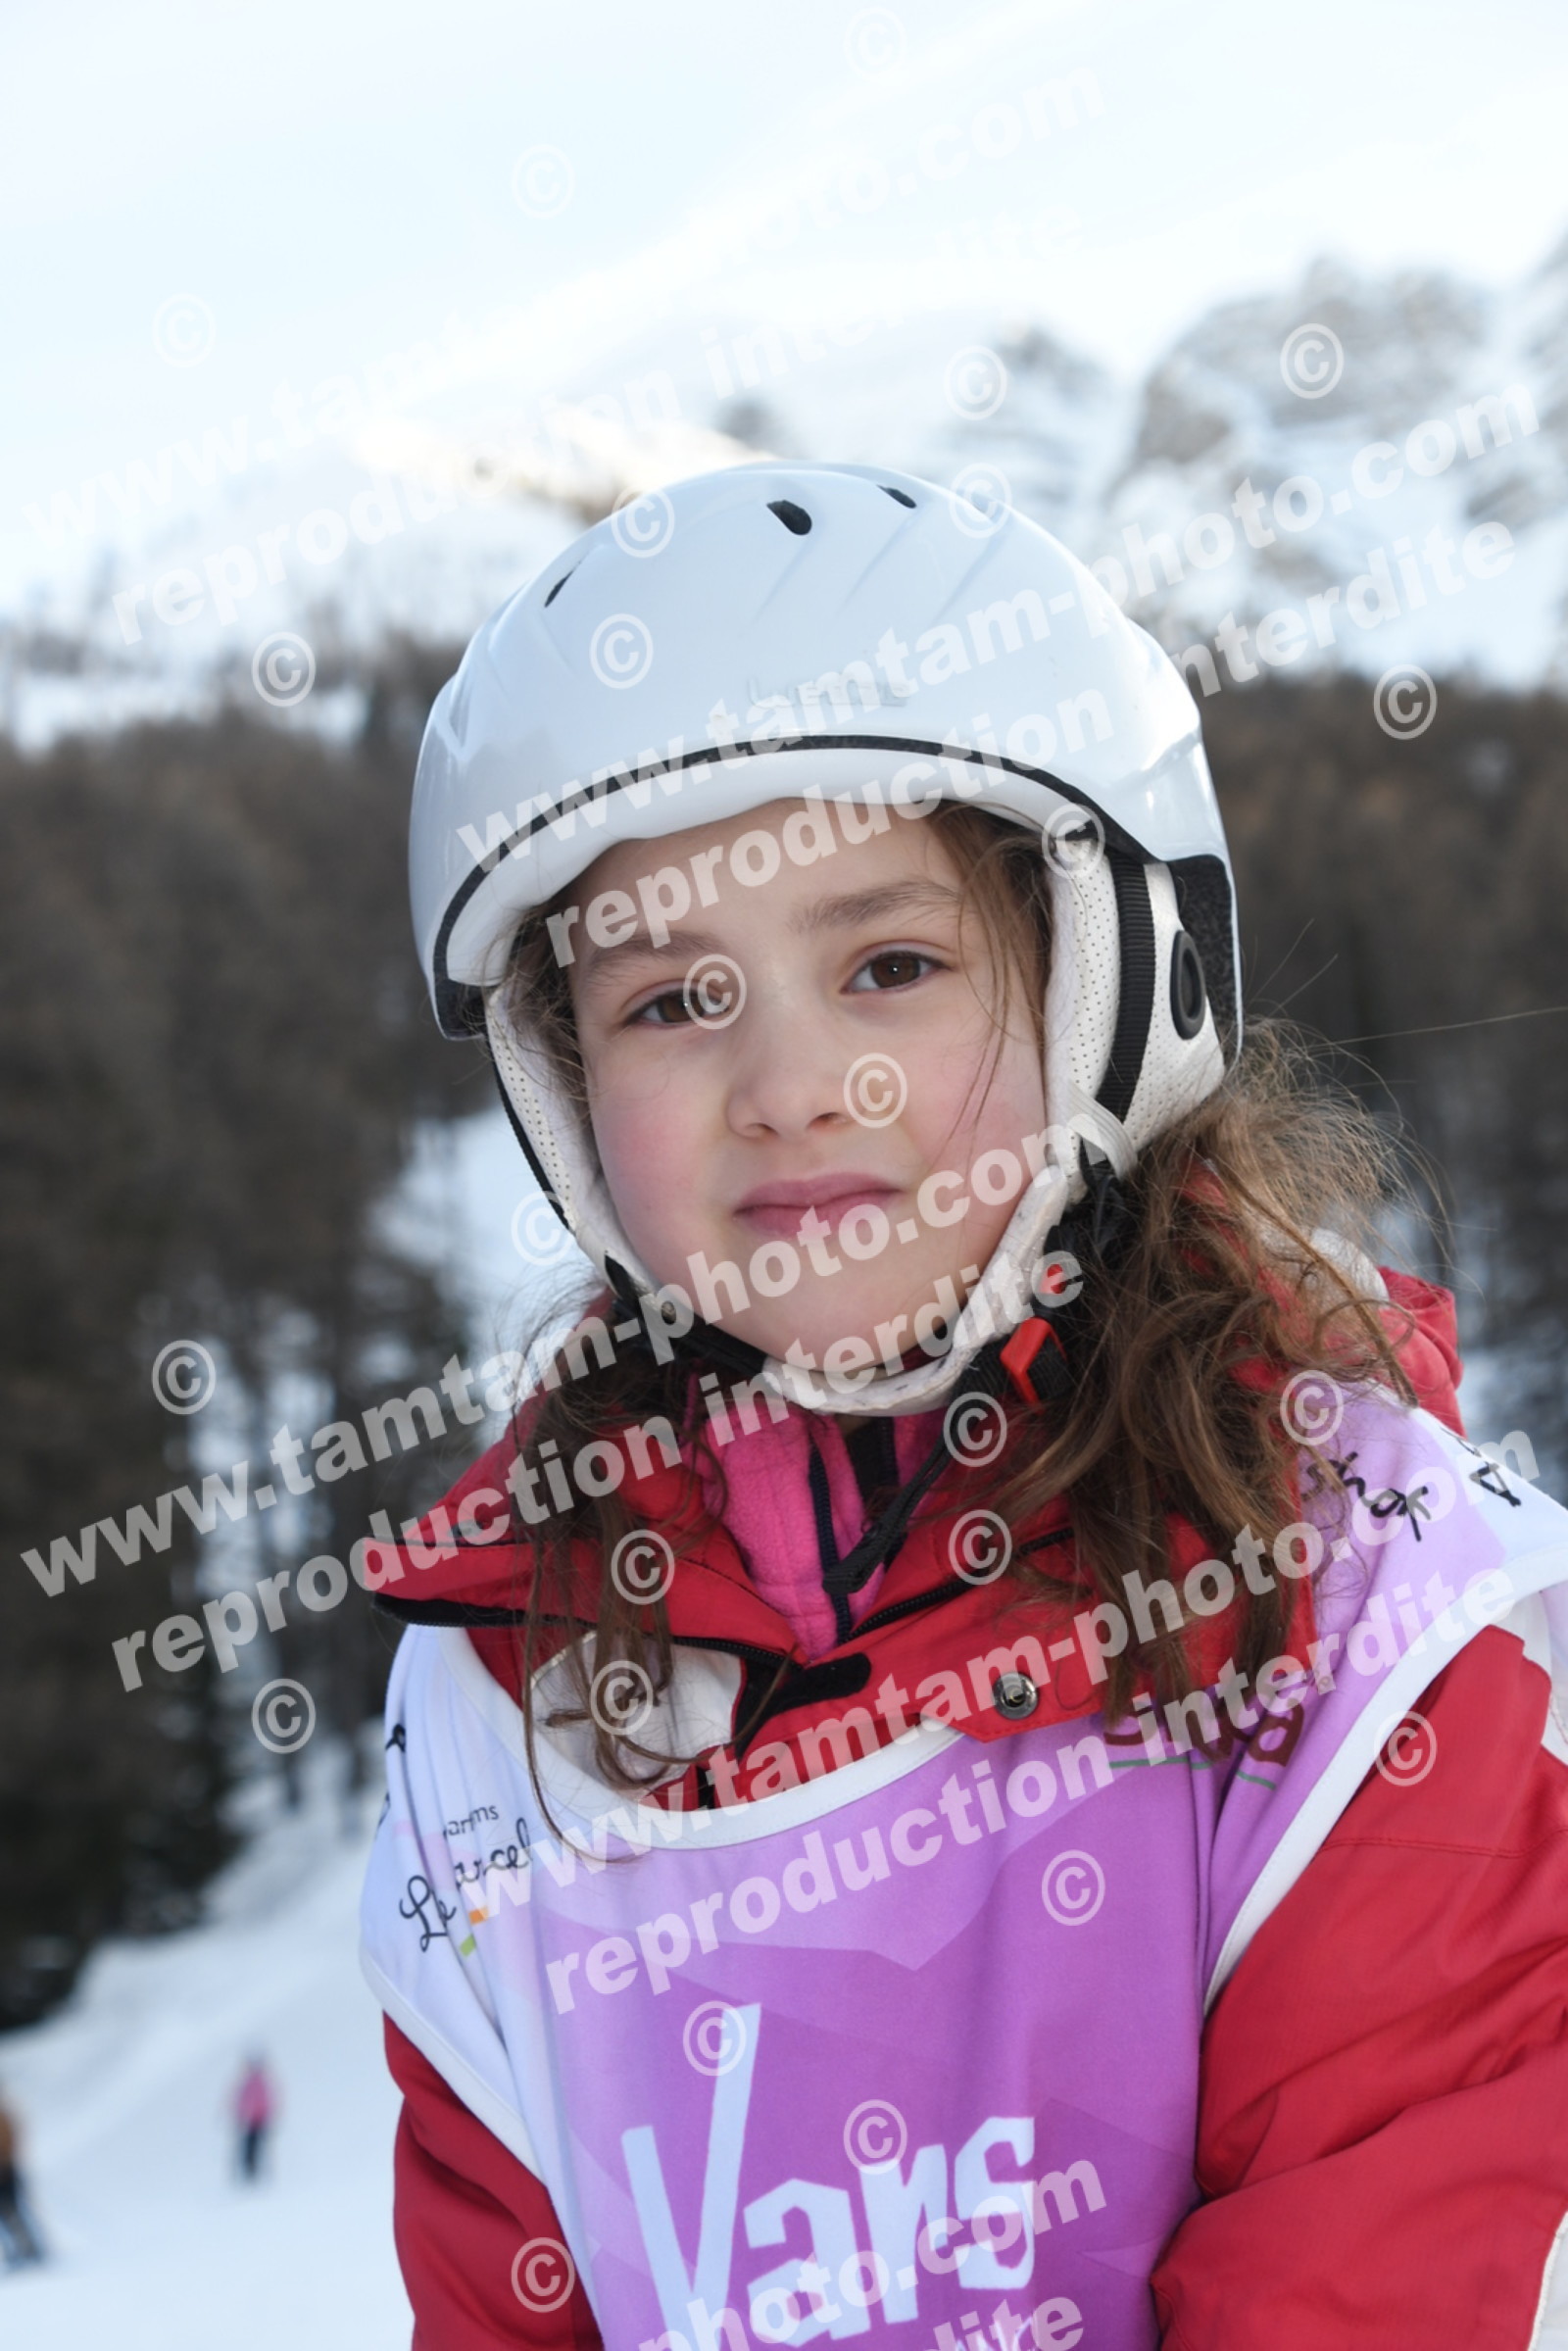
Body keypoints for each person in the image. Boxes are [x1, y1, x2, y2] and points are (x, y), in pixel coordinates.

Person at [360, 463, 1568, 2349]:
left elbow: (1372, 2262)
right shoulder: (505, 1694)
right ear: (561, 1081)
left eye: (891, 965)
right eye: (672, 999)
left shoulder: (1358, 1606)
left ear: (1105, 985)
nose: (790, 1082)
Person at [0, 2090, 43, 2267]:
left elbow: (10, 2141)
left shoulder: (3, 2117)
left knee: (13, 2211)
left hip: (6, 2171)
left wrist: (6, 2160)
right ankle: (15, 2252)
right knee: (4, 2216)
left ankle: (31, 2249)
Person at [232, 2055, 274, 2182]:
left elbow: (266, 2101)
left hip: (259, 2120)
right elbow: (242, 2100)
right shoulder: (250, 2082)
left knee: (258, 2145)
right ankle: (250, 2170)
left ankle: (257, 2170)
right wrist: (241, 2114)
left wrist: (265, 2115)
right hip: (250, 2120)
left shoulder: (261, 2083)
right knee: (249, 2146)